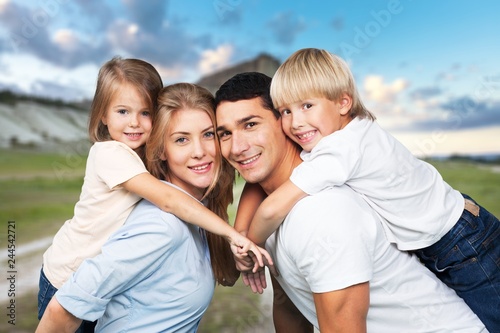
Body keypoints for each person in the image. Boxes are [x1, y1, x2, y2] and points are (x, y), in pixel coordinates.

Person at [239, 48, 500, 331]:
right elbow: (261, 183)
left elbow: (274, 206)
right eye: (285, 111)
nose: (296, 122)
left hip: (463, 242)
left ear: (343, 102)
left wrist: (248, 245)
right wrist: (238, 230)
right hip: (445, 237)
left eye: (306, 106)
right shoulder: (342, 135)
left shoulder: (340, 150)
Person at [38, 59, 272, 329]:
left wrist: (242, 245)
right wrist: (233, 234)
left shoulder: (196, 208)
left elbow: (226, 274)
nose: (199, 151)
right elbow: (62, 311)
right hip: (63, 274)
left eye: (208, 134)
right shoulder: (156, 216)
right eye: (181, 139)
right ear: (161, 149)